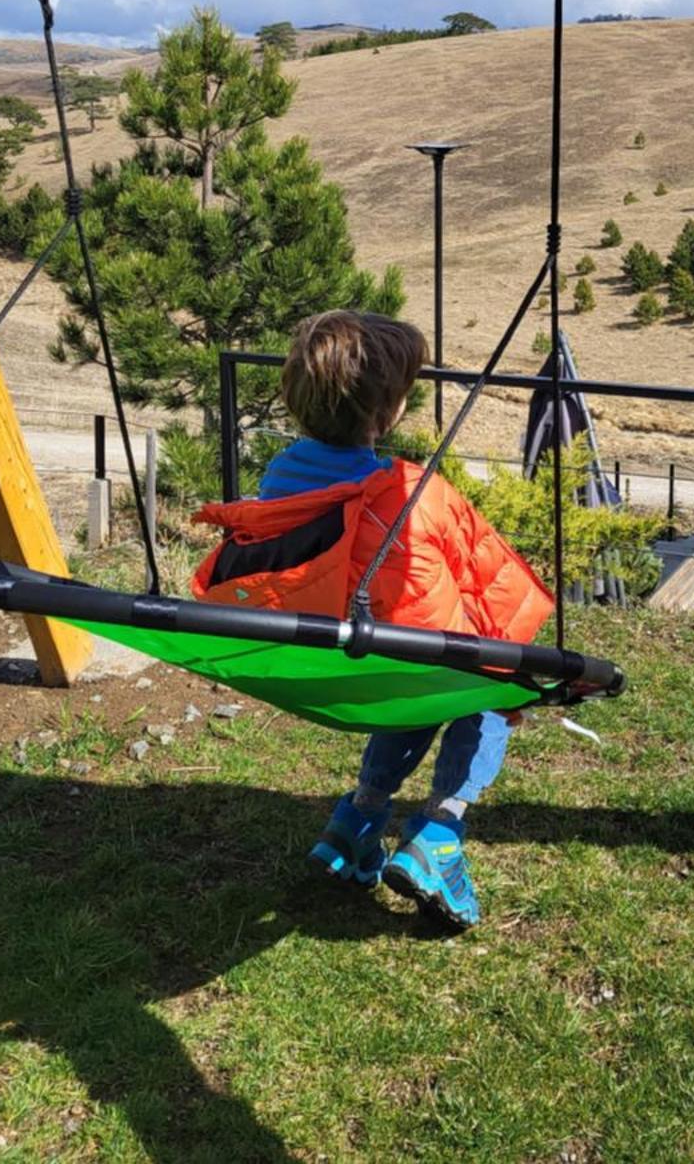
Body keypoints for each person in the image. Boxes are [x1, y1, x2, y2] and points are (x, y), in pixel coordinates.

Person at [192, 309, 552, 930]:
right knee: (482, 683)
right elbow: (487, 589)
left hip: (323, 664)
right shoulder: (406, 495)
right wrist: (510, 671)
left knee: (408, 674)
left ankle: (358, 821)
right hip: (390, 663)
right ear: (388, 413)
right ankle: (440, 832)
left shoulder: (278, 484)